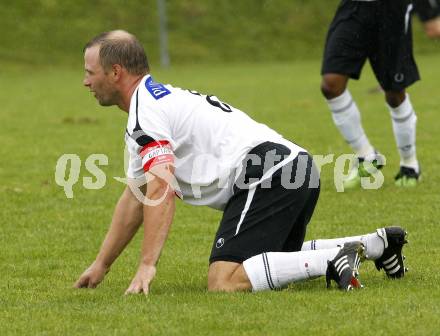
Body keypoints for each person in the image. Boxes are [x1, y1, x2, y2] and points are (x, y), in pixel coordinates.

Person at [74, 30, 408, 294]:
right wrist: (102, 265)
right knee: (268, 264)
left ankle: (333, 259)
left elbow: (161, 186)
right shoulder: (151, 106)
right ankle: (375, 244)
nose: (86, 82)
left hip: (271, 172)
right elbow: (137, 195)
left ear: (115, 72)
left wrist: (147, 265)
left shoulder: (147, 114)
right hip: (295, 167)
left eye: (90, 73)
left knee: (224, 280)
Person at [321, 0, 422, 189]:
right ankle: (366, 156)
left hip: (391, 10)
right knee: (331, 85)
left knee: (394, 93)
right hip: (354, 9)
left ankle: (409, 164)